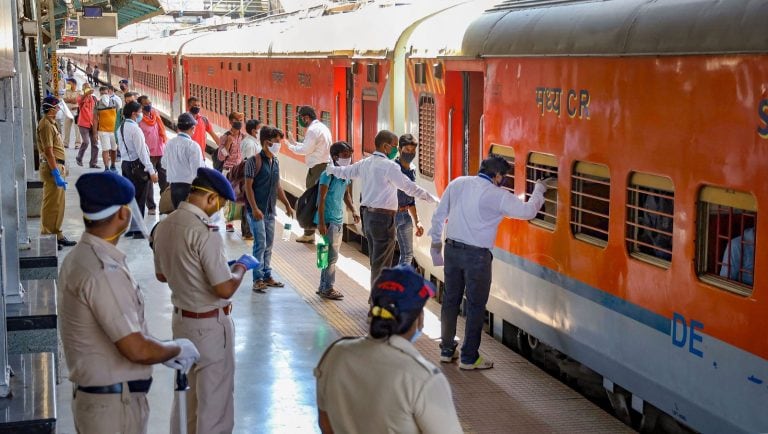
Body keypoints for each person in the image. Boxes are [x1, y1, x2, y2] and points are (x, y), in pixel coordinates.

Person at [59, 172, 200, 434]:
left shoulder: (80, 256)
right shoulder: (103, 271)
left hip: (103, 402)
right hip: (113, 410)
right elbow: (136, 349)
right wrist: (175, 350)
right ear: (123, 214)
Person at [152, 168, 260, 434]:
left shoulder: (164, 225)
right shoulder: (205, 233)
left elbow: (161, 275)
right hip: (210, 327)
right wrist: (241, 268)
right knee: (215, 407)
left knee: (186, 401)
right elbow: (224, 288)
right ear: (211, 198)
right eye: (220, 204)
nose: (218, 210)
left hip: (181, 324)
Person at [429, 156, 553, 370]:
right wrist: (540, 189)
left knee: (450, 301)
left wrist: (435, 245)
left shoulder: (458, 183)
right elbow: (528, 211)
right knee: (476, 306)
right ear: (497, 176)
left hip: (452, 250)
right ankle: (469, 358)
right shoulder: (497, 195)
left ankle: (447, 350)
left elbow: (439, 215)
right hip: (477, 257)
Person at [315, 265, 463, 434]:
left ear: (373, 310)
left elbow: (325, 425)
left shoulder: (336, 354)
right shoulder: (423, 378)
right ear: (419, 318)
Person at [326, 130, 438, 289]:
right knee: (382, 263)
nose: (395, 149)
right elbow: (408, 187)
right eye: (394, 146)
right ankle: (377, 301)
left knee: (376, 260)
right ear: (385, 147)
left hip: (367, 217)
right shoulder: (389, 166)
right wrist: (432, 198)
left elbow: (345, 172)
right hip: (383, 219)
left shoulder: (366, 162)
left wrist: (330, 168)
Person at [244, 126, 295, 293]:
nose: (279, 144)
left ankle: (267, 275)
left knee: (269, 245)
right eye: (277, 141)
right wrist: (254, 208)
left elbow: (277, 186)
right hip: (256, 211)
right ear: (267, 142)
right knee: (260, 244)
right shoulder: (253, 161)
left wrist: (287, 204)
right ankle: (257, 278)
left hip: (270, 211)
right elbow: (248, 187)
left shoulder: (275, 161)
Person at [315, 141, 359, 300]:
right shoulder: (328, 173)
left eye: (349, 155)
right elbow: (321, 198)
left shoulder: (344, 173)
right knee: (331, 256)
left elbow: (346, 194)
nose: (348, 158)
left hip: (337, 217)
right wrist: (321, 222)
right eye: (345, 155)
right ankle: (328, 287)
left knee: (326, 254)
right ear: (335, 157)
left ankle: (323, 286)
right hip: (328, 219)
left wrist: (353, 209)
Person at [287, 106, 332, 243]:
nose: (301, 121)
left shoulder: (312, 130)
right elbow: (311, 146)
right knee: (319, 199)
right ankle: (314, 232)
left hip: (317, 168)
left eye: (301, 118)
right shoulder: (323, 127)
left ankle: (309, 233)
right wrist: (295, 143)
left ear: (306, 117)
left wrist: (290, 146)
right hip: (324, 166)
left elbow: (306, 149)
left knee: (311, 200)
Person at [37, 96, 76, 250]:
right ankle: (47, 236)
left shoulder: (51, 124)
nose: (59, 109)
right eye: (57, 107)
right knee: (50, 205)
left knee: (58, 205)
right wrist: (55, 172)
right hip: (52, 168)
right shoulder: (45, 125)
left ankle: (57, 234)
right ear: (51, 109)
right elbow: (48, 151)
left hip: (58, 167)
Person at [117, 101, 159, 239]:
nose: (142, 114)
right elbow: (142, 153)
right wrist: (151, 171)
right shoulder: (135, 129)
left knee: (132, 199)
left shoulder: (121, 127)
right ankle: (139, 230)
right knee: (140, 198)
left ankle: (133, 228)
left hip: (126, 165)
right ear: (134, 114)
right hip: (137, 166)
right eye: (140, 112)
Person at [162, 113, 205, 209]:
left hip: (173, 186)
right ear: (193, 128)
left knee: (177, 213)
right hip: (188, 187)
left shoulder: (170, 143)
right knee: (189, 216)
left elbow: (164, 164)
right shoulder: (193, 146)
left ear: (179, 128)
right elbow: (197, 171)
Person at [394, 134, 424, 265]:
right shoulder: (392, 168)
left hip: (404, 215)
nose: (410, 153)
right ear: (399, 149)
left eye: (413, 151)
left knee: (407, 255)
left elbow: (410, 198)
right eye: (407, 150)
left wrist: (417, 221)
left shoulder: (412, 169)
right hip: (390, 215)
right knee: (385, 253)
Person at [137, 96, 168, 215]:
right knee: (149, 181)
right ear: (141, 105)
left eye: (150, 103)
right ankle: (151, 206)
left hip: (160, 151)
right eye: (146, 104)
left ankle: (164, 204)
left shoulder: (155, 114)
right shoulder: (139, 119)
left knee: (164, 180)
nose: (149, 105)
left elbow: (162, 131)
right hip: (148, 154)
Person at [96, 86, 121, 172]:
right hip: (103, 131)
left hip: (114, 131)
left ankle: (113, 165)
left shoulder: (115, 103)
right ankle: (106, 168)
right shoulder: (97, 104)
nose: (104, 95)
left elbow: (119, 117)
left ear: (109, 92)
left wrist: (120, 129)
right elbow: (95, 119)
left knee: (114, 149)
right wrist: (95, 133)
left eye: (105, 93)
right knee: (105, 149)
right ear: (100, 94)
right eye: (102, 93)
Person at [76, 83, 100, 168]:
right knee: (86, 142)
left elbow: (97, 110)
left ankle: (93, 163)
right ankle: (79, 157)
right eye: (86, 88)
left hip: (92, 124)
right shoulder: (80, 97)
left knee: (95, 144)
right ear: (83, 89)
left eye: (89, 88)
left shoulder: (93, 98)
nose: (88, 89)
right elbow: (79, 101)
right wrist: (86, 93)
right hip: (83, 123)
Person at [62, 78, 82, 149]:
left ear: (74, 84)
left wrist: (69, 100)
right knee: (66, 127)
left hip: (76, 111)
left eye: (69, 83)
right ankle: (66, 143)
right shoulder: (66, 91)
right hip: (68, 111)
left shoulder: (79, 92)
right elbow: (64, 100)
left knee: (77, 128)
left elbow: (77, 101)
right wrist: (72, 100)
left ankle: (78, 143)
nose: (68, 85)